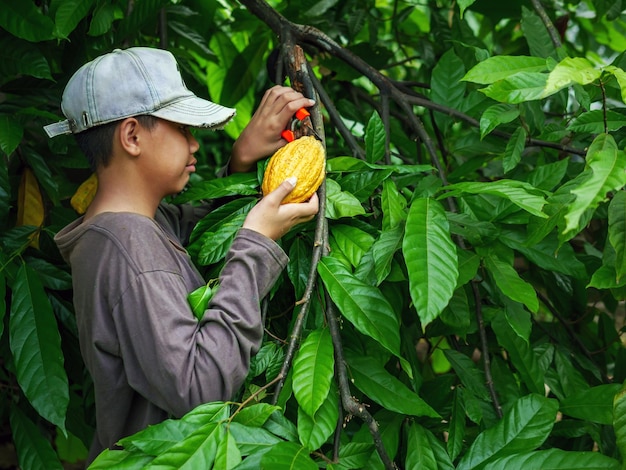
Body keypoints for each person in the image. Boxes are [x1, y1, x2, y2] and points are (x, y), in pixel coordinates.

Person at [43, 46, 319, 464]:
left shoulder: (128, 230)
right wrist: (256, 244)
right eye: (182, 129)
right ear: (132, 136)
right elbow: (199, 388)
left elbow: (196, 239)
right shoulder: (130, 248)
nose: (194, 142)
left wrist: (241, 162)